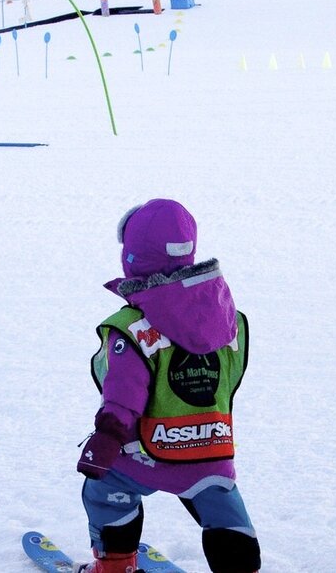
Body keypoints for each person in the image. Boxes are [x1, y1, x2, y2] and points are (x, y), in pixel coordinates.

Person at [76, 199, 259, 573]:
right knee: (223, 511)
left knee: (107, 493)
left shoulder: (131, 328)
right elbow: (231, 376)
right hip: (210, 449)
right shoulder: (230, 322)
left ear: (132, 258)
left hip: (141, 452)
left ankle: (115, 566)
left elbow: (123, 394)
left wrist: (106, 439)